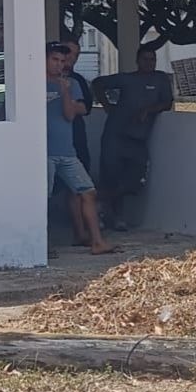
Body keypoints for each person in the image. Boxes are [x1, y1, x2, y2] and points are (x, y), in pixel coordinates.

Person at [92, 46, 174, 231]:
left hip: (137, 139)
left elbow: (168, 102)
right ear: (138, 61)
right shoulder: (127, 79)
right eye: (145, 59)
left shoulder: (161, 79)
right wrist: (107, 105)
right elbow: (98, 83)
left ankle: (100, 201)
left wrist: (148, 110)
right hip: (115, 135)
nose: (149, 63)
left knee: (134, 181)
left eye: (152, 59)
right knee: (112, 176)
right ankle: (115, 217)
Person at [44, 42, 114, 255]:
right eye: (55, 60)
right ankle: (42, 245)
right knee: (42, 199)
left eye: (63, 61)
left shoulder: (72, 84)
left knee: (88, 192)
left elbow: (69, 114)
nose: (59, 65)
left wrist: (65, 93)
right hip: (42, 153)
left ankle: (97, 242)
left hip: (67, 152)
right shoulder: (31, 83)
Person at [58, 34, 94, 246]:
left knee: (80, 188)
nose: (72, 58)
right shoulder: (41, 79)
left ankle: (81, 232)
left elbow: (83, 108)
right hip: (51, 141)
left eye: (76, 54)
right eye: (69, 52)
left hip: (75, 137)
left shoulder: (77, 81)